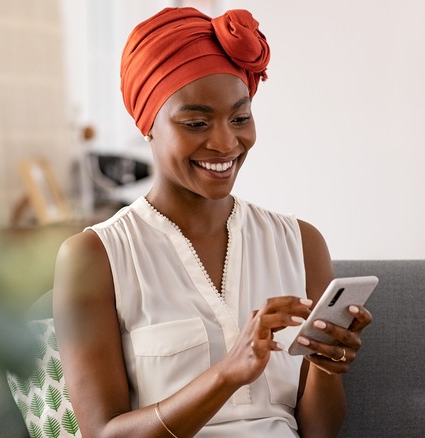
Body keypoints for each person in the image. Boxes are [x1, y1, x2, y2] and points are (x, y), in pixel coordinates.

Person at [52, 7, 372, 438]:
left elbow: (319, 432)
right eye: (196, 123)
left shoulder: (301, 243)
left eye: (240, 118)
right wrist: (227, 373)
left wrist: (326, 367)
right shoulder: (95, 256)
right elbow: (104, 433)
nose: (225, 143)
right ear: (148, 125)